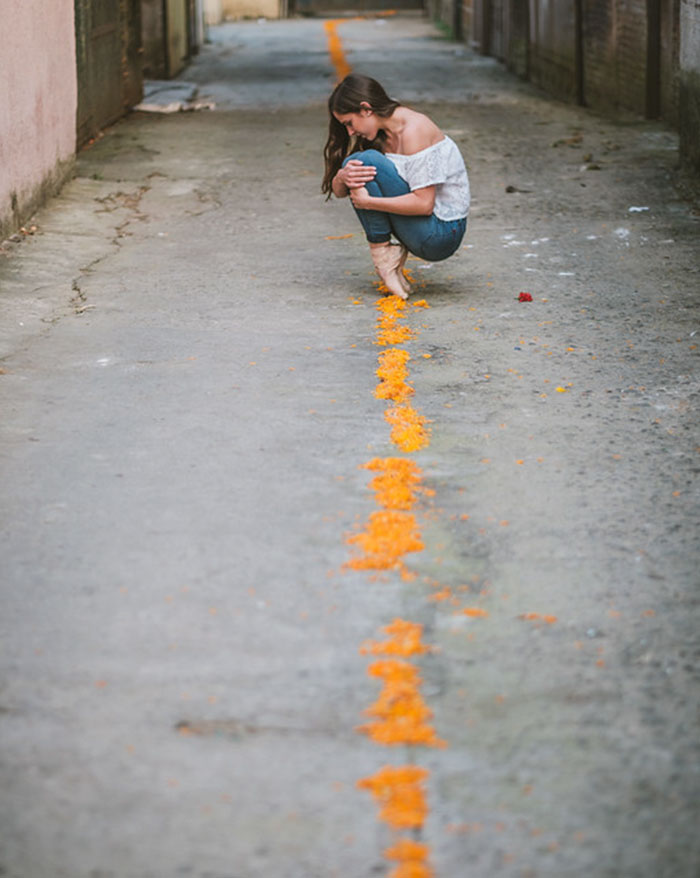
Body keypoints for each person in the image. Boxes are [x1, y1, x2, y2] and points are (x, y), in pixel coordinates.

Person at [322, 73, 470, 299]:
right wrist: (342, 177)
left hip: (441, 233)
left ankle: (384, 258)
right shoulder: (381, 133)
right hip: (423, 230)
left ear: (366, 109)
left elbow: (424, 205)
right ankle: (385, 257)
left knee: (364, 160)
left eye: (349, 123)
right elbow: (340, 191)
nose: (350, 132)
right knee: (354, 165)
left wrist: (369, 203)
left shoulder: (414, 130)